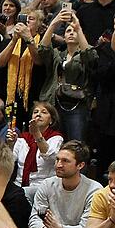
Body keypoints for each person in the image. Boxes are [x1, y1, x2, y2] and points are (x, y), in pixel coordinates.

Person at [38, 8, 97, 141]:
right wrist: (54, 23)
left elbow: (91, 57)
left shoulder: (83, 55)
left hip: (77, 105)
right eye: (68, 31)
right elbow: (42, 49)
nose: (71, 33)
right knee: (53, 141)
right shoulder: (57, 53)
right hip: (54, 103)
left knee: (75, 142)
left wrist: (78, 27)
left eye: (74, 31)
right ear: (64, 37)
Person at [7, 101, 64, 201]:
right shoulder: (23, 138)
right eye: (35, 112)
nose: (38, 114)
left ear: (51, 120)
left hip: (43, 187)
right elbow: (9, 161)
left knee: (19, 196)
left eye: (44, 112)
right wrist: (11, 144)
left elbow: (50, 156)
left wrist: (37, 134)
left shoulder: (56, 138)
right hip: (19, 186)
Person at [0, 8, 45, 126]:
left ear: (38, 25)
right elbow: (0, 63)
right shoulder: (12, 40)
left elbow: (39, 61)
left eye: (31, 19)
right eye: (24, 19)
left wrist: (28, 38)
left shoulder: (43, 40)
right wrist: (14, 40)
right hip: (12, 97)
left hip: (33, 95)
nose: (27, 21)